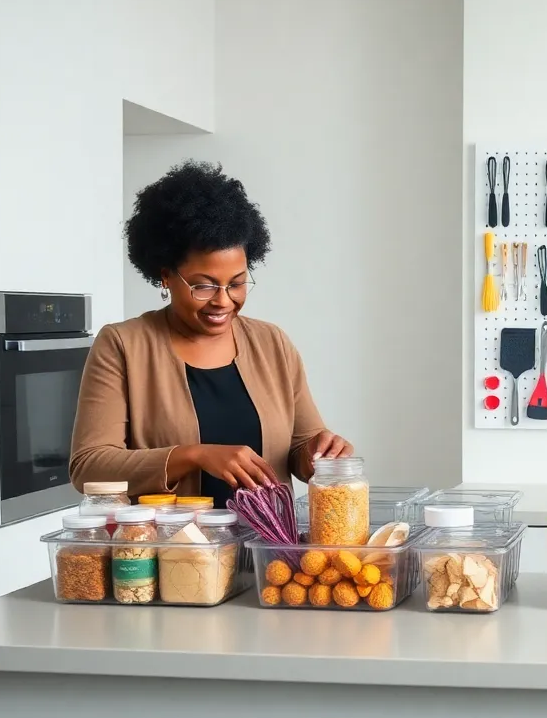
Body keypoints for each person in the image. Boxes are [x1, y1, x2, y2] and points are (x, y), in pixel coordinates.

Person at [70, 160, 353, 509]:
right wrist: (193, 456)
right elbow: (88, 466)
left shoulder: (272, 343)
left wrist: (318, 454)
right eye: (203, 286)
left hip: (269, 553)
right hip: (171, 555)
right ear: (165, 276)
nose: (223, 301)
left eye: (236, 284)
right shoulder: (123, 346)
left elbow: (300, 445)